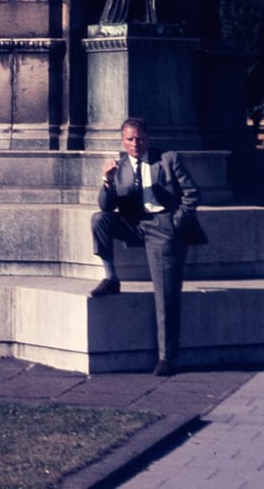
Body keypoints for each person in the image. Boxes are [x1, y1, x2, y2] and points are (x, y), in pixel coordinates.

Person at [89, 116, 206, 375]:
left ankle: (166, 357)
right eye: (129, 139)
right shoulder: (119, 166)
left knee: (166, 293)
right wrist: (107, 182)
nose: (135, 143)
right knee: (99, 220)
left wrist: (176, 221)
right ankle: (111, 278)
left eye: (139, 138)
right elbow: (106, 207)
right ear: (123, 140)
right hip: (134, 224)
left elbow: (192, 193)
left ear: (147, 138)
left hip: (164, 225)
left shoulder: (168, 159)